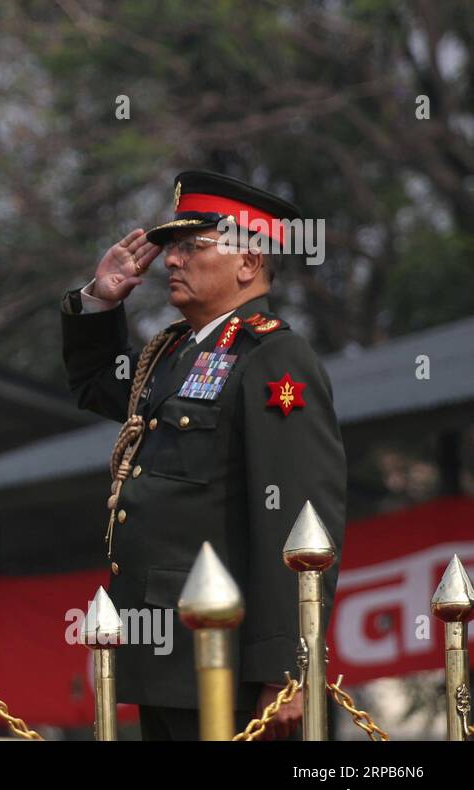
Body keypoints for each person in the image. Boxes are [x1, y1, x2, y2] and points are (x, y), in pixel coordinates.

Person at [59, 171, 346, 740]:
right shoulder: (174, 354)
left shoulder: (273, 356)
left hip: (230, 661)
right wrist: (100, 299)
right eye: (172, 247)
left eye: (193, 247)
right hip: (165, 653)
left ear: (248, 262)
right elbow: (96, 384)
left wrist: (286, 667)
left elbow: (298, 520)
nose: (171, 261)